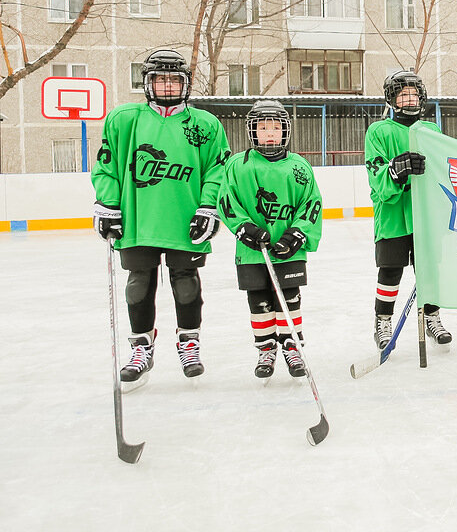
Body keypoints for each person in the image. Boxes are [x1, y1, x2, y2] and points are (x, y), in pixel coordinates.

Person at [91, 48, 230, 381]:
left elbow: (217, 170)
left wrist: (209, 205)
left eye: (173, 80)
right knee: (139, 285)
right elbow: (106, 166)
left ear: (185, 84)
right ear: (147, 83)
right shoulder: (124, 119)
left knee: (186, 286)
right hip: (138, 219)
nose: (167, 86)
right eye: (160, 79)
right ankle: (141, 346)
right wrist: (108, 204)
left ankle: (189, 342)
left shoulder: (205, 124)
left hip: (186, 219)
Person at [217, 100, 322, 378]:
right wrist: (244, 228)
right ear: (252, 131)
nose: (270, 133)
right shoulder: (238, 165)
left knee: (289, 297)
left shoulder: (299, 165)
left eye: (275, 127)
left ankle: (291, 345)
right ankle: (266, 348)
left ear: (285, 131)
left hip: (288, 250)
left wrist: (297, 233)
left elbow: (311, 204)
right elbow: (226, 202)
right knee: (259, 300)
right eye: (263, 128)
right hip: (252, 252)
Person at [364, 70, 452, 349]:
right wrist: (396, 171)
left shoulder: (431, 130)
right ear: (392, 99)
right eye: (403, 94)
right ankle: (383, 321)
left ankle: (432, 316)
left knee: (430, 271)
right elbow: (376, 176)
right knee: (390, 271)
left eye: (414, 93)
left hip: (425, 216)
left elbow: (443, 170)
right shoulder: (379, 131)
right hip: (392, 217)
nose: (410, 99)